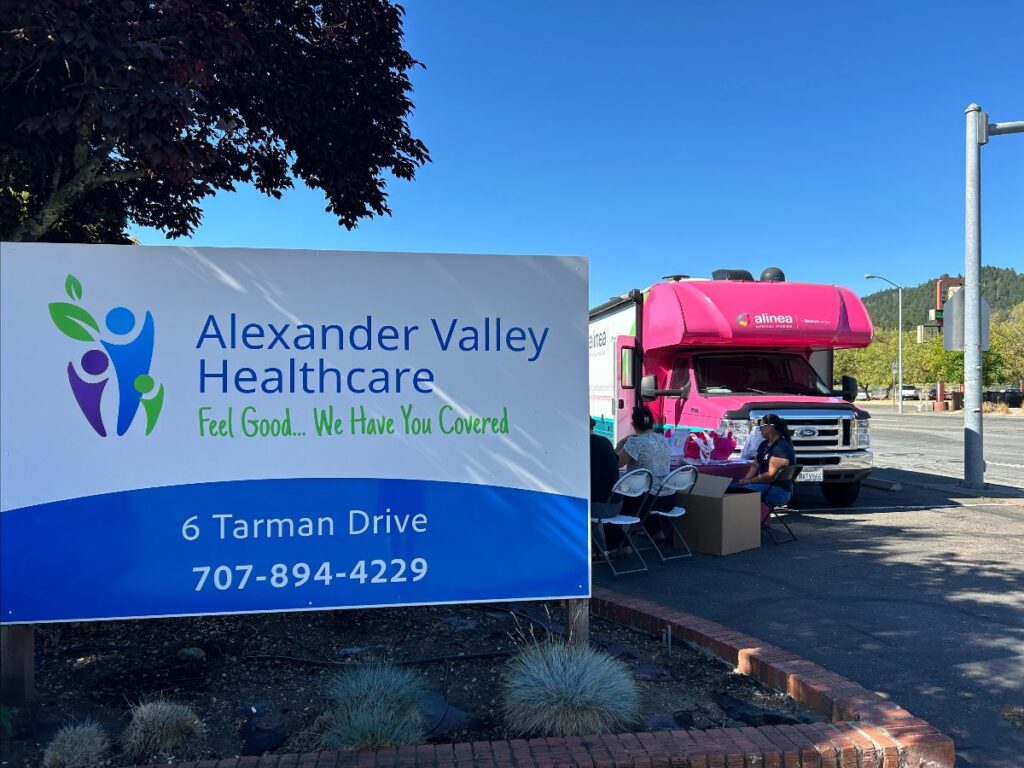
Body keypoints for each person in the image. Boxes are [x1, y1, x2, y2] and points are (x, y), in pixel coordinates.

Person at [735, 413, 796, 509]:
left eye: (761, 427)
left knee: (735, 492)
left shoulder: (781, 448)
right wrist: (746, 479)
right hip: (764, 485)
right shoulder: (763, 444)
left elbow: (769, 476)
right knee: (730, 487)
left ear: (770, 427)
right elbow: (755, 465)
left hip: (778, 490)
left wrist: (749, 481)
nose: (760, 430)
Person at [589, 418, 618, 503]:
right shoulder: (605, 441)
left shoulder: (583, 444)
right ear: (593, 426)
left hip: (596, 506)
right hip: (616, 504)